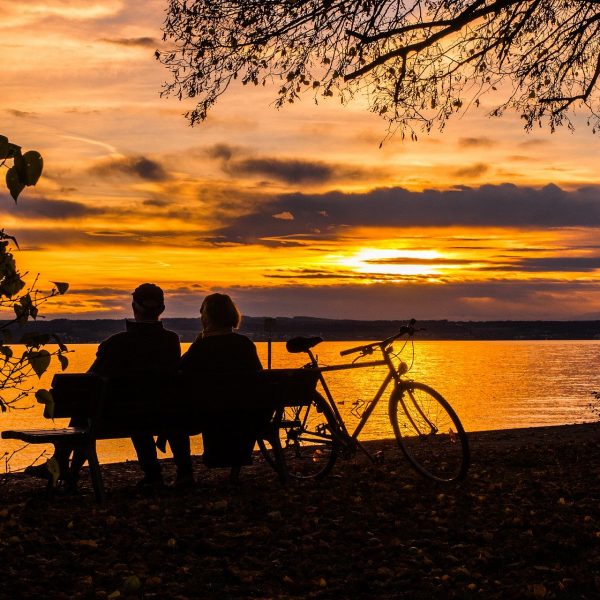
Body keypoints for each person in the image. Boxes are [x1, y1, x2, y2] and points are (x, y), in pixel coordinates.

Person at [27, 283, 194, 489]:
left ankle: (63, 465)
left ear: (134, 307)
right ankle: (159, 474)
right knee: (135, 409)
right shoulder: (171, 341)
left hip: (119, 418)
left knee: (87, 406)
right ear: (162, 309)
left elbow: (90, 381)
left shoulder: (116, 343)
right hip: (162, 414)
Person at [179, 293, 262, 375]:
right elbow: (259, 374)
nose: (201, 318)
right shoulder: (245, 344)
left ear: (208, 316)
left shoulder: (201, 347)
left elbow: (179, 369)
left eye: (202, 313)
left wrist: (197, 342)